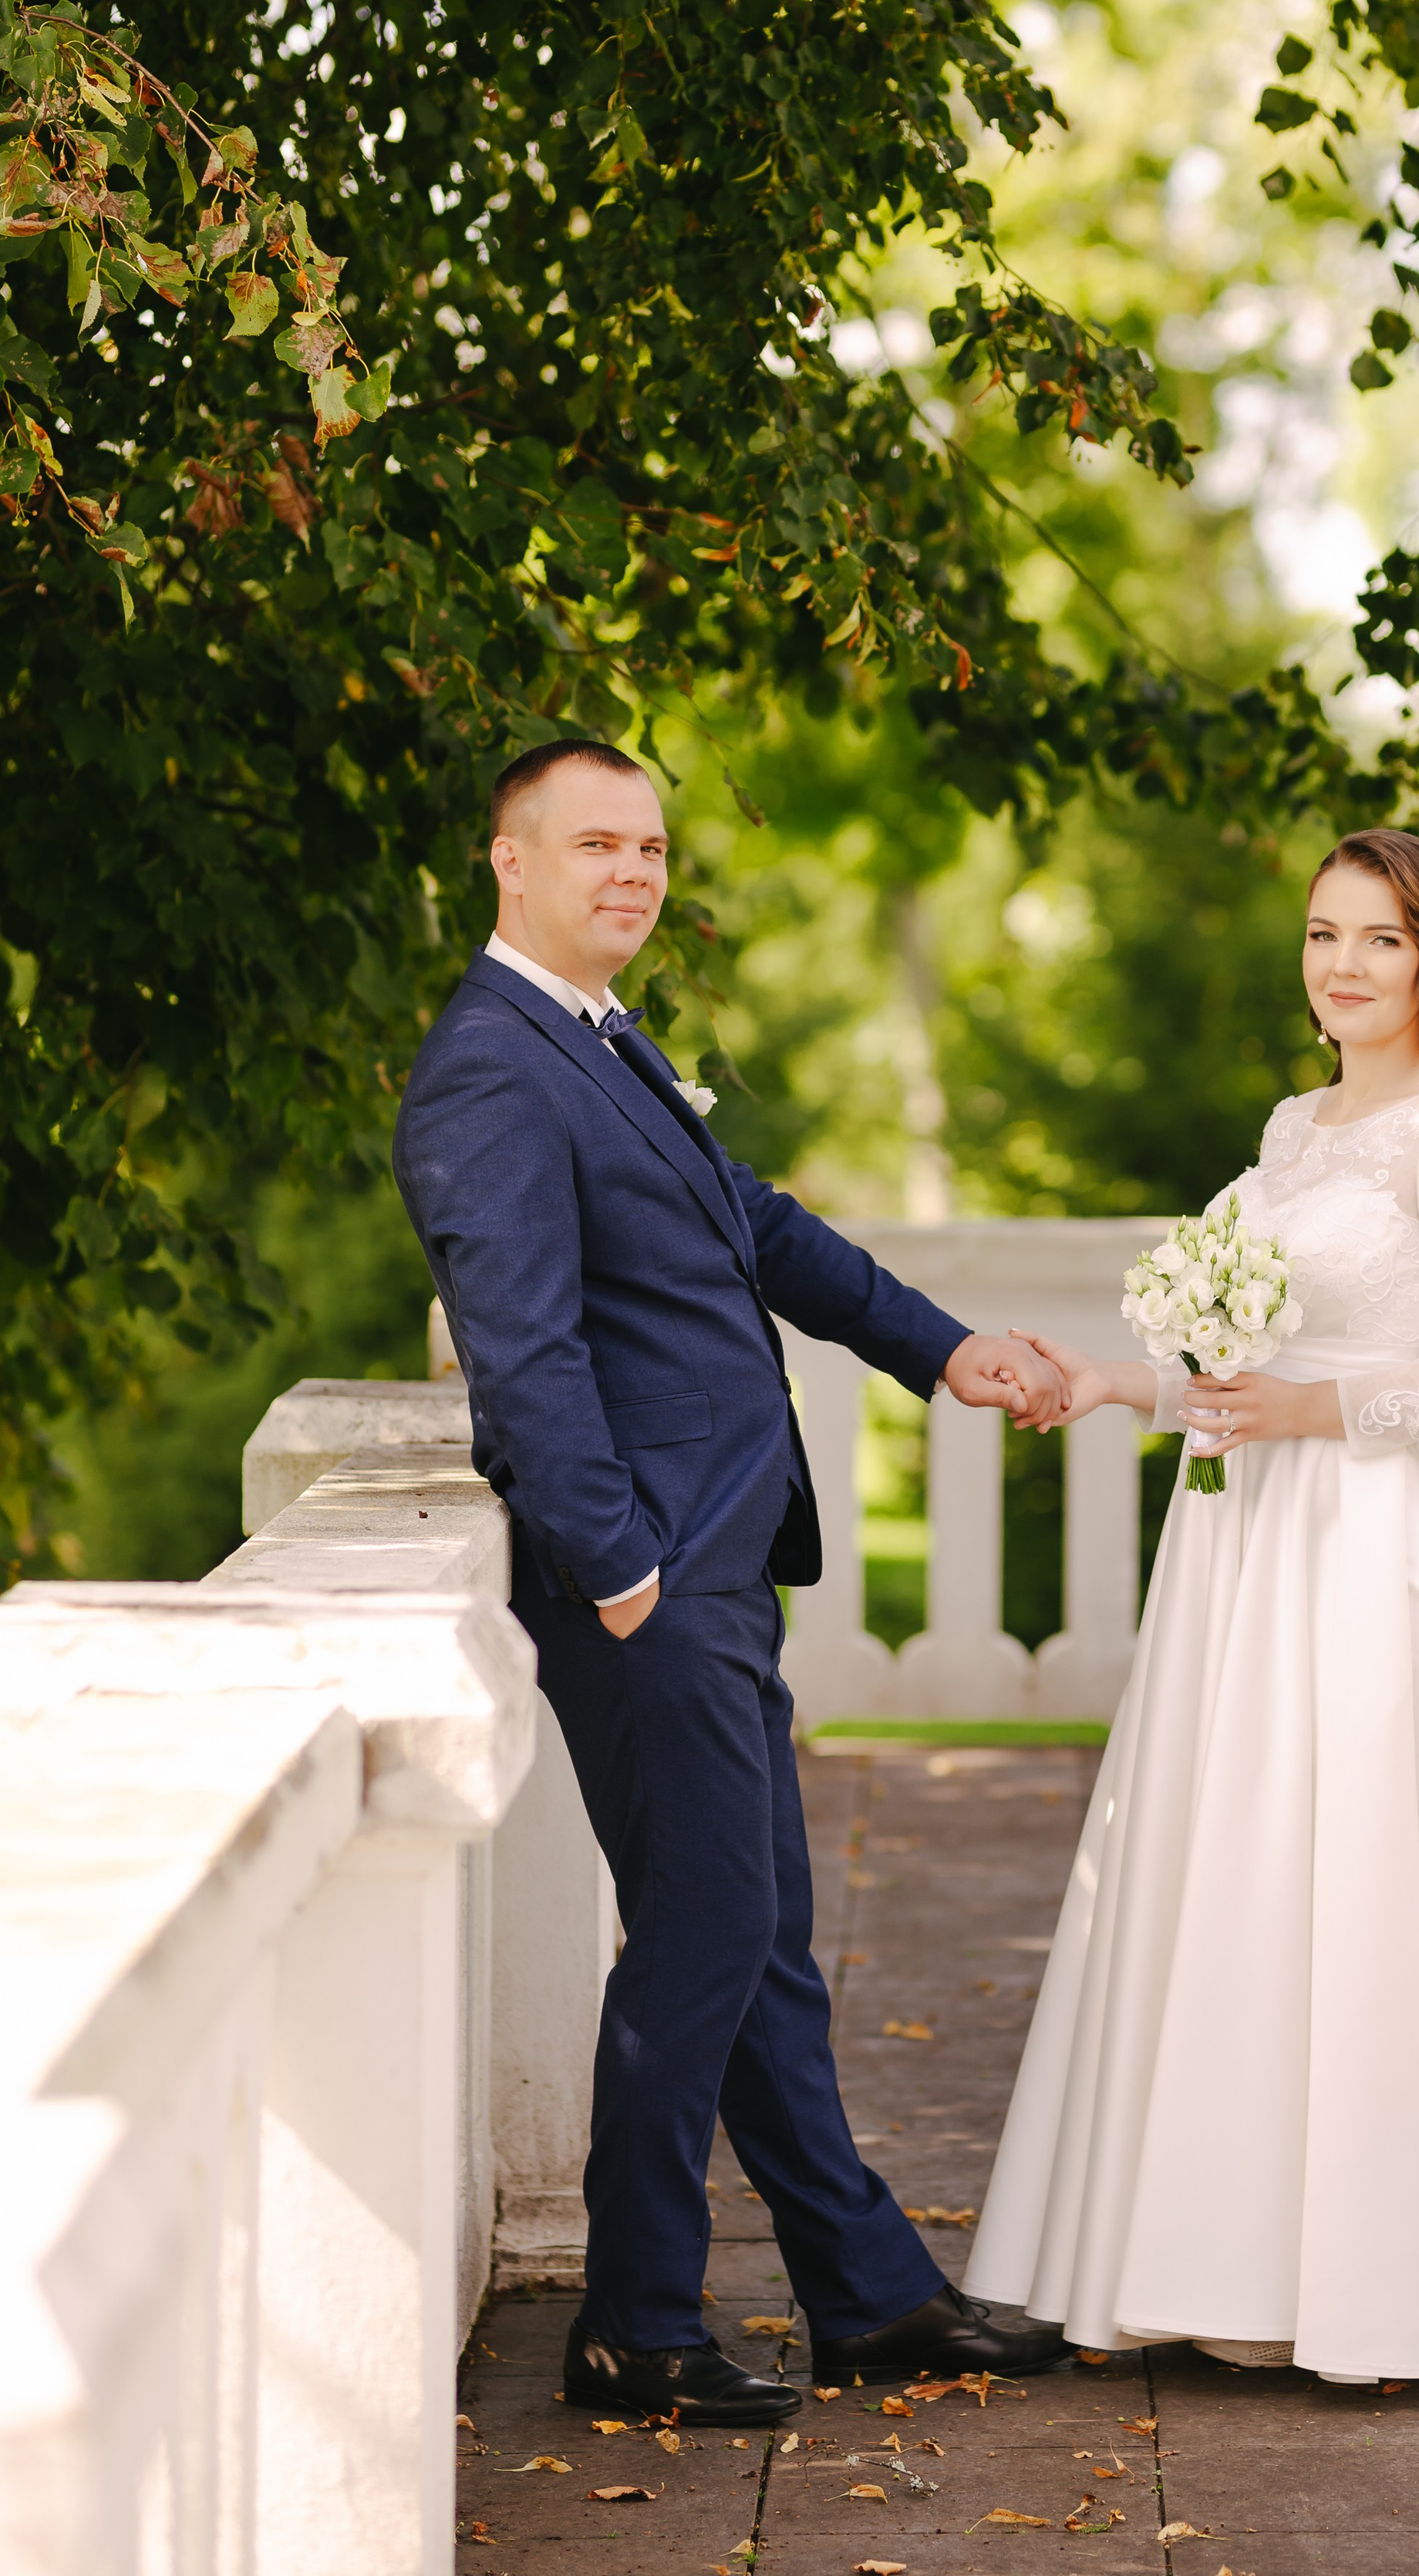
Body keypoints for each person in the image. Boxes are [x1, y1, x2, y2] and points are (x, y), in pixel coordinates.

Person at [393, 738, 1075, 2426]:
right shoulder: (489, 1070)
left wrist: (945, 1348)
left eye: (648, 847)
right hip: (647, 1576)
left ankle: (868, 2295)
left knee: (756, 1933)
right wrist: (619, 1569)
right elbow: (525, 1353)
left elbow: (756, 1227)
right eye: (595, 845)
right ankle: (635, 2321)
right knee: (707, 1935)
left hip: (714, 1552)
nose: (632, 871)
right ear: (510, 862)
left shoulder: (600, 1037)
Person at [966, 830, 1419, 2403]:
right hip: (1246, 1550)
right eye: (1320, 935)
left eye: (1379, 939)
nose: (1341, 966)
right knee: (1241, 1877)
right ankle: (1217, 2269)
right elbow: (1242, 1369)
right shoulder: (1292, 1129)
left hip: (1373, 1549)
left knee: (1363, 1884)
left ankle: (1386, 2288)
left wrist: (1320, 1412)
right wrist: (1113, 1384)